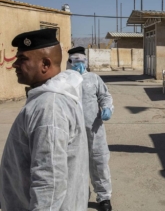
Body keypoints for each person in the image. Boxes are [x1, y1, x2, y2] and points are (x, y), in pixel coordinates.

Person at [0, 29, 89, 210]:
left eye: (22, 59)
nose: (15, 64)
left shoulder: (49, 107)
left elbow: (50, 182)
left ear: (45, 64)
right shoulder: (50, 99)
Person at [67, 46, 114, 211]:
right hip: (71, 131)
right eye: (75, 62)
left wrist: (107, 107)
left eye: (82, 62)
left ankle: (104, 197)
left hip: (94, 129)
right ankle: (78, 196)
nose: (79, 65)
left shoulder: (94, 78)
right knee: (73, 164)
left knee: (99, 162)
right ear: (69, 62)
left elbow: (104, 96)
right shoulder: (63, 80)